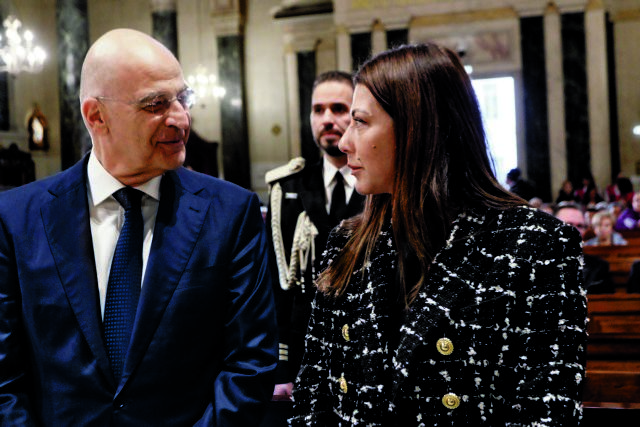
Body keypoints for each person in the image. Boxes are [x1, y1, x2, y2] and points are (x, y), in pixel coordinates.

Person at [291, 43, 587, 426]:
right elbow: (312, 398)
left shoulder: (535, 245)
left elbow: (545, 412)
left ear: (417, 130)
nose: (345, 142)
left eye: (359, 121)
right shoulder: (347, 242)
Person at [0, 29, 277, 426]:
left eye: (183, 99)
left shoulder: (230, 213)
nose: (181, 119)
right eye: (156, 104)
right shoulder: (16, 219)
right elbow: (5, 377)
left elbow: (250, 363)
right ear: (96, 116)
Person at [264, 71, 365, 420]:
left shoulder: (381, 187)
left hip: (363, 350)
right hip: (304, 351)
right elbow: (278, 285)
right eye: (318, 110)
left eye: (339, 108)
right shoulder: (287, 188)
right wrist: (281, 366)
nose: (327, 119)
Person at [555, 202, 614, 294]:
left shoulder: (599, 267)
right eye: (568, 224)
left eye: (580, 226)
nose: (575, 230)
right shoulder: (536, 265)